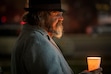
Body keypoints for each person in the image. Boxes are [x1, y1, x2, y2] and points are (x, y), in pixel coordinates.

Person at [11, 0, 102, 74]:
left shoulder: (34, 37)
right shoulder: (37, 42)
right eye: (56, 14)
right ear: (41, 15)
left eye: (61, 14)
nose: (61, 18)